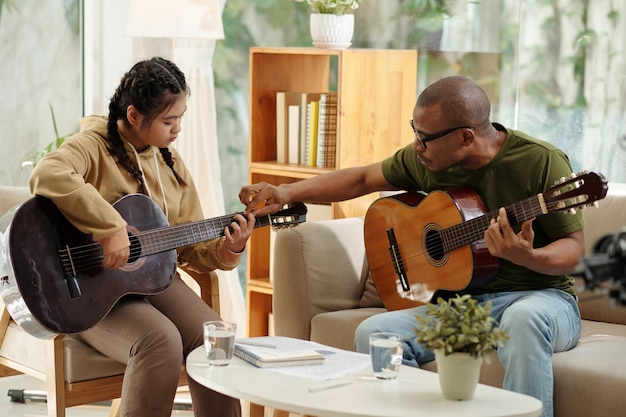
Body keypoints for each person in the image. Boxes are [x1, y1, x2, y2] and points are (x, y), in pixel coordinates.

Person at [239, 76, 584, 417]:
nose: (417, 146)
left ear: (466, 136)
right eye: (414, 132)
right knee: (376, 333)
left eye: (425, 138)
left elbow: (573, 249)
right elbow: (361, 178)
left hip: (541, 298)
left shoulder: (541, 162)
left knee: (522, 320)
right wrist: (287, 193)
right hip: (463, 306)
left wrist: (528, 256)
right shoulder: (429, 160)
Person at [29, 57, 253, 417]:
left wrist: (229, 247)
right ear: (134, 115)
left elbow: (191, 244)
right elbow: (47, 173)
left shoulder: (172, 163)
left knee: (214, 338)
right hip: (90, 289)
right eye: (168, 120)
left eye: (180, 117)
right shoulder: (93, 145)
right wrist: (110, 226)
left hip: (157, 281)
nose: (177, 127)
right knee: (160, 341)